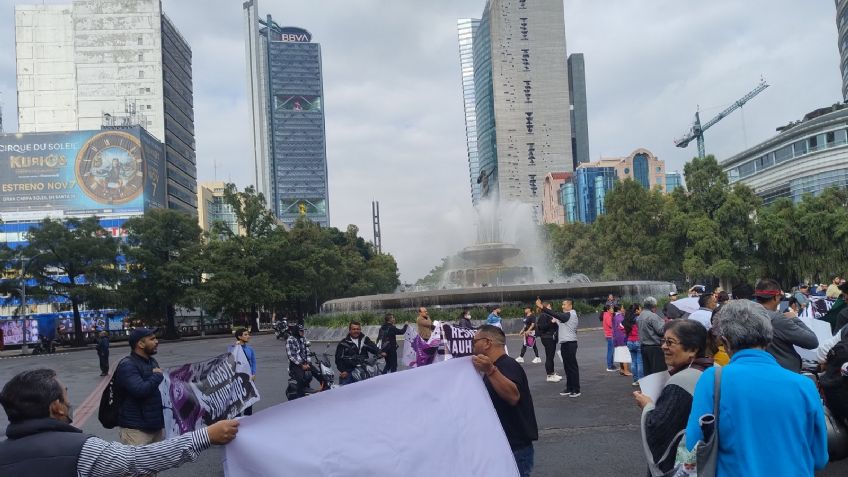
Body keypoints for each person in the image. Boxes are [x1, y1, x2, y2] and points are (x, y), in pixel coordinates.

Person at [0, 368, 239, 476]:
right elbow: (137, 459)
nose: (70, 402)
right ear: (56, 406)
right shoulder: (80, 449)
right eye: (66, 394)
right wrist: (206, 436)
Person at [685, 300, 828, 476]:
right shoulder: (804, 386)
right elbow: (819, 458)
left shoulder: (713, 379)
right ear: (769, 337)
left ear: (725, 341)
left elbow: (694, 444)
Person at [634, 319, 712, 476]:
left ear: (693, 349)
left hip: (681, 464)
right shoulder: (713, 369)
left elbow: (658, 428)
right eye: (663, 341)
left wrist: (647, 406)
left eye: (670, 342)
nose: (663, 346)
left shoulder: (681, 380)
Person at [471, 325, 538, 477]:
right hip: (506, 447)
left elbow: (513, 396)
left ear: (487, 343)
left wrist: (490, 371)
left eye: (474, 341)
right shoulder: (496, 366)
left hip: (515, 449)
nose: (472, 345)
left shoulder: (507, 365)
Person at [753, 278, 818, 372]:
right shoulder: (777, 319)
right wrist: (794, 318)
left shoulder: (747, 315)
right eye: (780, 297)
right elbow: (812, 341)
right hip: (781, 373)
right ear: (776, 297)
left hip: (757, 370)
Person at [115, 328, 164, 448]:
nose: (156, 341)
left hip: (155, 426)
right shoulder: (127, 365)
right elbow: (139, 390)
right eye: (152, 339)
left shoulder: (152, 361)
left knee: (158, 461)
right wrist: (157, 376)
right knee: (139, 461)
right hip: (136, 431)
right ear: (141, 344)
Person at [538, 299, 580, 397]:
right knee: (567, 367)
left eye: (564, 304)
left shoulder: (570, 314)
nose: (562, 306)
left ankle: (576, 389)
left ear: (570, 306)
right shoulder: (565, 316)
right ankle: (569, 387)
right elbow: (554, 317)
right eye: (562, 304)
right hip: (565, 344)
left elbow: (555, 315)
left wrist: (542, 307)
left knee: (572, 367)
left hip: (570, 343)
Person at [229, 328, 256, 415]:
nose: (248, 336)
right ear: (239, 337)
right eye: (246, 335)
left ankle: (248, 417)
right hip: (238, 378)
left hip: (249, 377)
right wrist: (236, 347)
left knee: (249, 398)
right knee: (238, 398)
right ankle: (238, 417)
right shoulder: (232, 348)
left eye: (248, 334)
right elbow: (230, 360)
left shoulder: (250, 349)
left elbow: (253, 362)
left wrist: (253, 373)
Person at [638, 297, 666, 376]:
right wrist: (667, 324)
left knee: (648, 372)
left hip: (644, 347)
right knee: (658, 372)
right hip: (654, 348)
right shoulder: (653, 316)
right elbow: (661, 331)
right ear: (653, 307)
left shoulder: (641, 315)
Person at [535, 302, 561, 382]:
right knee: (549, 356)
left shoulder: (548, 315)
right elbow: (542, 327)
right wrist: (551, 322)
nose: (550, 308)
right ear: (545, 307)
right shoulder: (543, 315)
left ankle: (552, 373)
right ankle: (549, 375)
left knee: (551, 356)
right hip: (547, 338)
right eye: (549, 307)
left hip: (551, 338)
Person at [286, 323, 312, 398]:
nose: (303, 332)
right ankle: (300, 396)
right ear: (296, 331)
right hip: (295, 364)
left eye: (303, 331)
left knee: (318, 374)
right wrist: (302, 365)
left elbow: (307, 351)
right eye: (301, 331)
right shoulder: (290, 340)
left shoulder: (303, 339)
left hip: (305, 363)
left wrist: (308, 363)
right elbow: (292, 356)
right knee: (301, 379)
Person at [623, 304, 642, 385]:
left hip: (629, 342)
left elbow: (621, 328)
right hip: (638, 341)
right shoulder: (638, 319)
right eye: (640, 308)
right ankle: (641, 381)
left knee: (633, 362)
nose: (641, 310)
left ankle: (635, 380)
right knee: (640, 363)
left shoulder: (626, 319)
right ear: (636, 310)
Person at [612, 305, 631, 376]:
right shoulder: (621, 317)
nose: (624, 309)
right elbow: (624, 328)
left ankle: (622, 369)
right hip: (622, 338)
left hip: (616, 338)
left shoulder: (615, 317)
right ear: (619, 310)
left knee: (620, 354)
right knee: (625, 354)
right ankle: (626, 370)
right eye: (623, 308)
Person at [601, 304, 616, 372]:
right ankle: (609, 366)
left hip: (609, 335)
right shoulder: (608, 316)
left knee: (611, 351)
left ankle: (611, 365)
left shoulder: (607, 315)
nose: (613, 309)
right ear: (608, 310)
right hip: (610, 335)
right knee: (610, 351)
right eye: (611, 308)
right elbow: (611, 325)